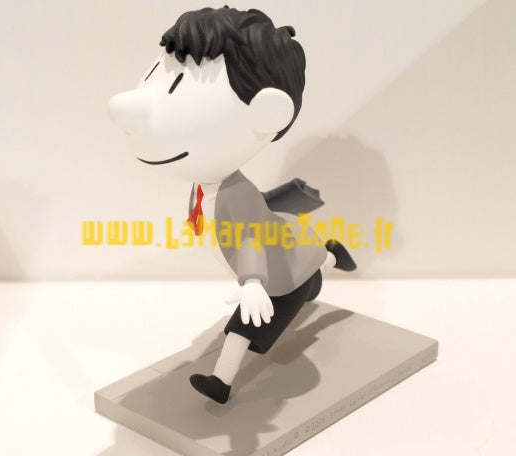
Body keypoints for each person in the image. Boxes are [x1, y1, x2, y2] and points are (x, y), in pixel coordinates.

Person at [108, 6, 355, 404]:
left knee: (246, 326)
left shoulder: (233, 192)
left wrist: (253, 283)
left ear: (268, 114)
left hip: (276, 275)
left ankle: (220, 382)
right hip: (290, 248)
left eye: (178, 88)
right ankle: (330, 255)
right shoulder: (212, 183)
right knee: (310, 279)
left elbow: (251, 237)